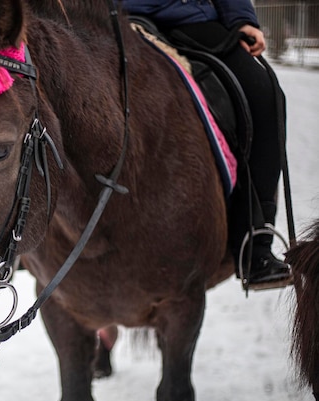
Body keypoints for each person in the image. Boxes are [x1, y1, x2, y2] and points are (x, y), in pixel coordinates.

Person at [120, 0, 291, 287]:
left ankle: (255, 240)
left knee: (266, 94)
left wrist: (240, 17)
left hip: (191, 21)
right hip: (105, 18)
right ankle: (26, 233)